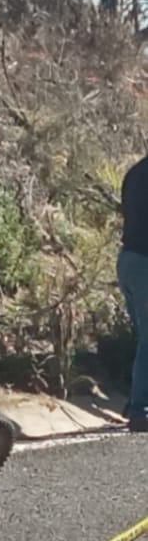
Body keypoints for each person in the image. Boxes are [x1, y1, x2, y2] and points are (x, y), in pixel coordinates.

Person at [118, 152, 148, 430]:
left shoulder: (134, 173)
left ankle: (136, 400)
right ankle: (141, 409)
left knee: (144, 337)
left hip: (128, 259)